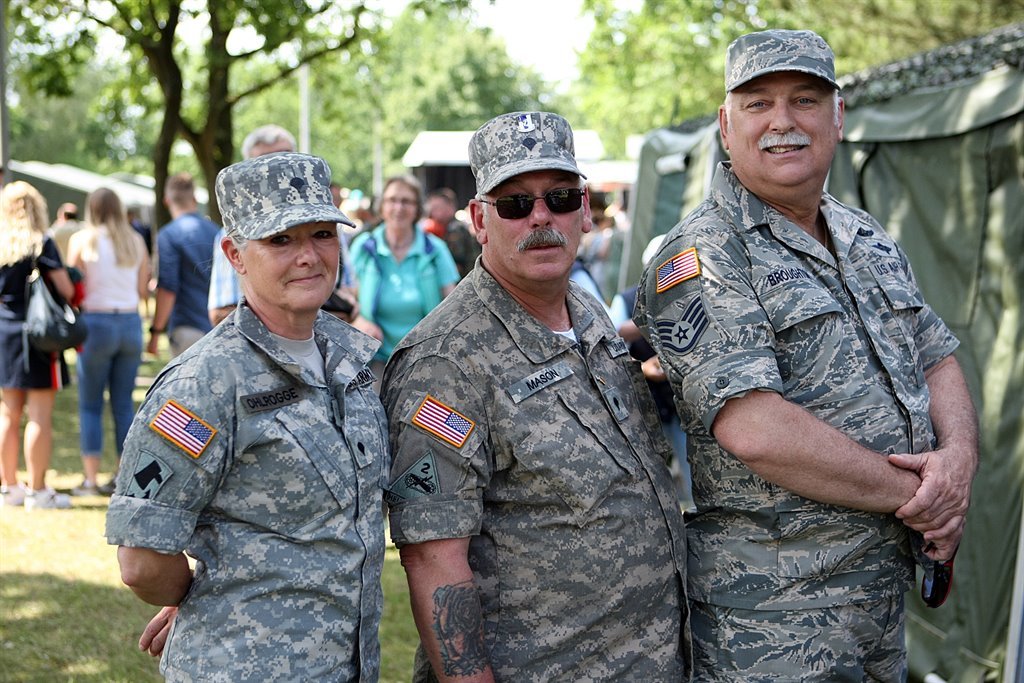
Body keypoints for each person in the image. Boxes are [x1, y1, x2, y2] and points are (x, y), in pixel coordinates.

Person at [634, 29, 978, 681]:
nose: (783, 121)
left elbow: (937, 356)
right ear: (725, 126)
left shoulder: (864, 234)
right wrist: (921, 495)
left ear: (838, 116)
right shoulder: (701, 257)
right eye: (758, 103)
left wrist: (957, 463)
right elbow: (754, 427)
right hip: (775, 621)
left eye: (805, 99)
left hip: (879, 597)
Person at [383, 111, 690, 681]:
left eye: (560, 197)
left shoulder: (588, 310)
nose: (541, 217)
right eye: (515, 204)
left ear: (586, 211)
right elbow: (432, 557)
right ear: (479, 219)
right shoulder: (446, 362)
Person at [105, 152, 387, 680]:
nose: (308, 256)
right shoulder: (203, 384)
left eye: (322, 234)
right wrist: (211, 597)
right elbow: (142, 562)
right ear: (235, 254)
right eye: (280, 240)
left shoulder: (349, 360)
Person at [66, 188, 150, 496]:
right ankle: (123, 475)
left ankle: (90, 479)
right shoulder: (135, 240)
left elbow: (73, 286)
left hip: (96, 321)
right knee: (123, 404)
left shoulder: (83, 240)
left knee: (90, 404)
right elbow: (143, 289)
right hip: (129, 322)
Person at [0, 181, 75, 510]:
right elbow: (66, 290)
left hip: (3, 332)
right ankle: (39, 490)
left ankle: (9, 488)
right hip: (37, 335)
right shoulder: (42, 242)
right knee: (39, 416)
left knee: (6, 413)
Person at [350, 175, 459, 376]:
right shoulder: (364, 247)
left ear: (418, 208)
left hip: (425, 359)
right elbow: (345, 295)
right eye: (392, 200)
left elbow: (453, 304)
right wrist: (358, 319)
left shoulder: (434, 249)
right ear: (382, 206)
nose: (398, 208)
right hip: (374, 360)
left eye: (406, 201)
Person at [148, 173, 219, 357]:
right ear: (194, 199)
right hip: (219, 326)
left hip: (187, 327)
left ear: (166, 201)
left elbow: (168, 286)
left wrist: (156, 332)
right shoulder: (217, 232)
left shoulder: (168, 235)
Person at [425, 187, 481, 278]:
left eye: (437, 208)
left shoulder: (456, 229)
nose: (432, 212)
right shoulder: (439, 228)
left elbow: (457, 264)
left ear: (450, 207)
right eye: (432, 208)